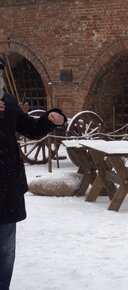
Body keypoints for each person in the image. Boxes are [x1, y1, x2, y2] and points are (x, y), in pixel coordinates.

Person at [0, 58, 67, 289]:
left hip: (5, 188)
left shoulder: (7, 101)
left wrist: (49, 119)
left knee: (6, 250)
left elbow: (29, 128)